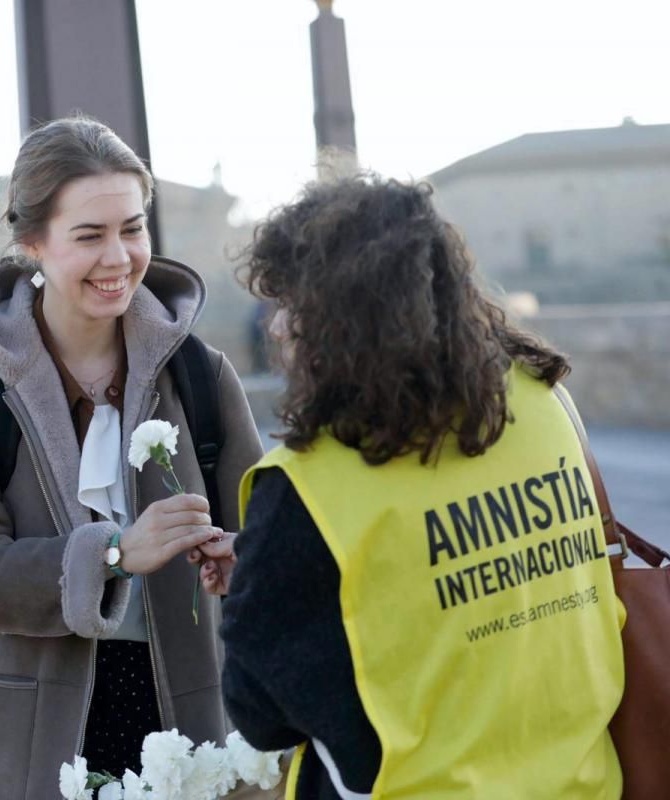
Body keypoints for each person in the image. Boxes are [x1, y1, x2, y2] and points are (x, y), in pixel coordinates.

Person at [206, 176, 626, 799]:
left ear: (343, 319)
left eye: (291, 302)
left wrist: (262, 585)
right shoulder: (545, 403)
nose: (276, 326)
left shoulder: (309, 488)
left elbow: (262, 714)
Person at [0, 116, 264, 799]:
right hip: (33, 735)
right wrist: (111, 554)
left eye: (132, 228)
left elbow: (271, 537)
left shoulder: (200, 373)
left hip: (189, 725)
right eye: (89, 236)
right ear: (31, 243)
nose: (120, 258)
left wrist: (238, 556)